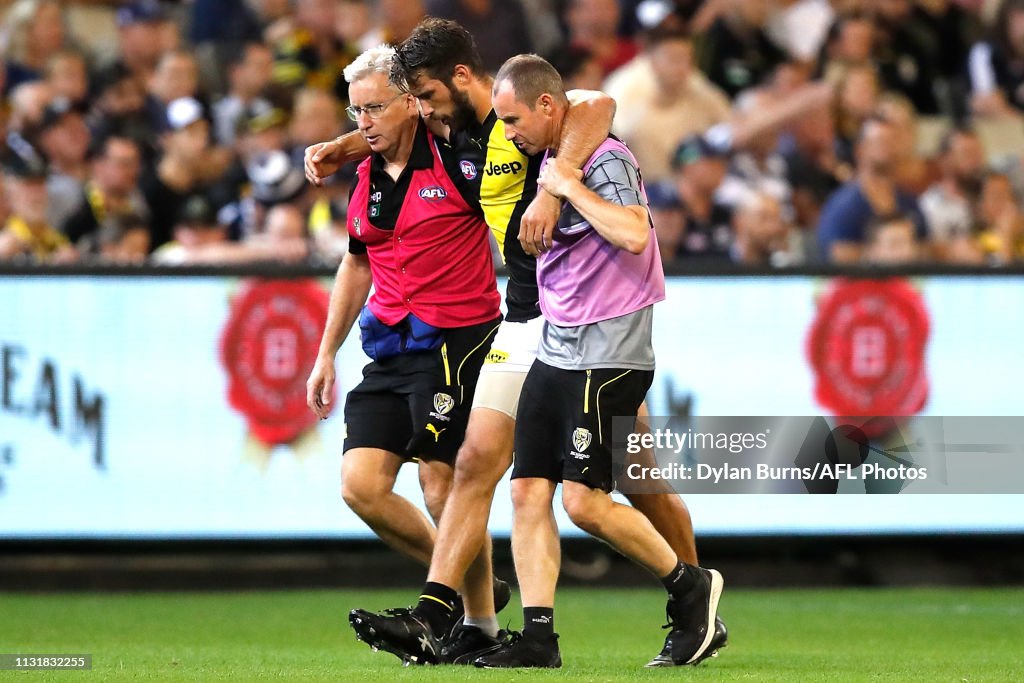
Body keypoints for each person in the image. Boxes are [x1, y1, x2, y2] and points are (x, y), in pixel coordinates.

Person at [306, 18, 716, 668]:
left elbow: (595, 103)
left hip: (587, 321)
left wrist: (560, 183)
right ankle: (463, 617)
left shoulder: (515, 122)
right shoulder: (447, 131)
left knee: (632, 482)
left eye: (424, 96)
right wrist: (349, 144)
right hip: (531, 321)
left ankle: (695, 602)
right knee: (484, 474)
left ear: (458, 81)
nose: (419, 108)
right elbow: (390, 124)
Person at [472, 54, 723, 670]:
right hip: (557, 346)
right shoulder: (542, 157)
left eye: (513, 119)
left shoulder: (603, 159)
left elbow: (636, 234)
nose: (507, 131)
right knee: (528, 490)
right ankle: (538, 639)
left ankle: (691, 586)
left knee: (584, 502)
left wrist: (566, 189)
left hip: (610, 355)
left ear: (548, 107)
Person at [303, 44, 506, 663]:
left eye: (373, 108)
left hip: (457, 339)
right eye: (354, 110)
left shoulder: (458, 157)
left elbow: (490, 107)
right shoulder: (366, 177)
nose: (362, 122)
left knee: (442, 485)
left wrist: (342, 143)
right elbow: (356, 261)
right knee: (360, 486)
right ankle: (476, 585)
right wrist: (324, 352)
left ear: (412, 103)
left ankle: (477, 625)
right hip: (390, 345)